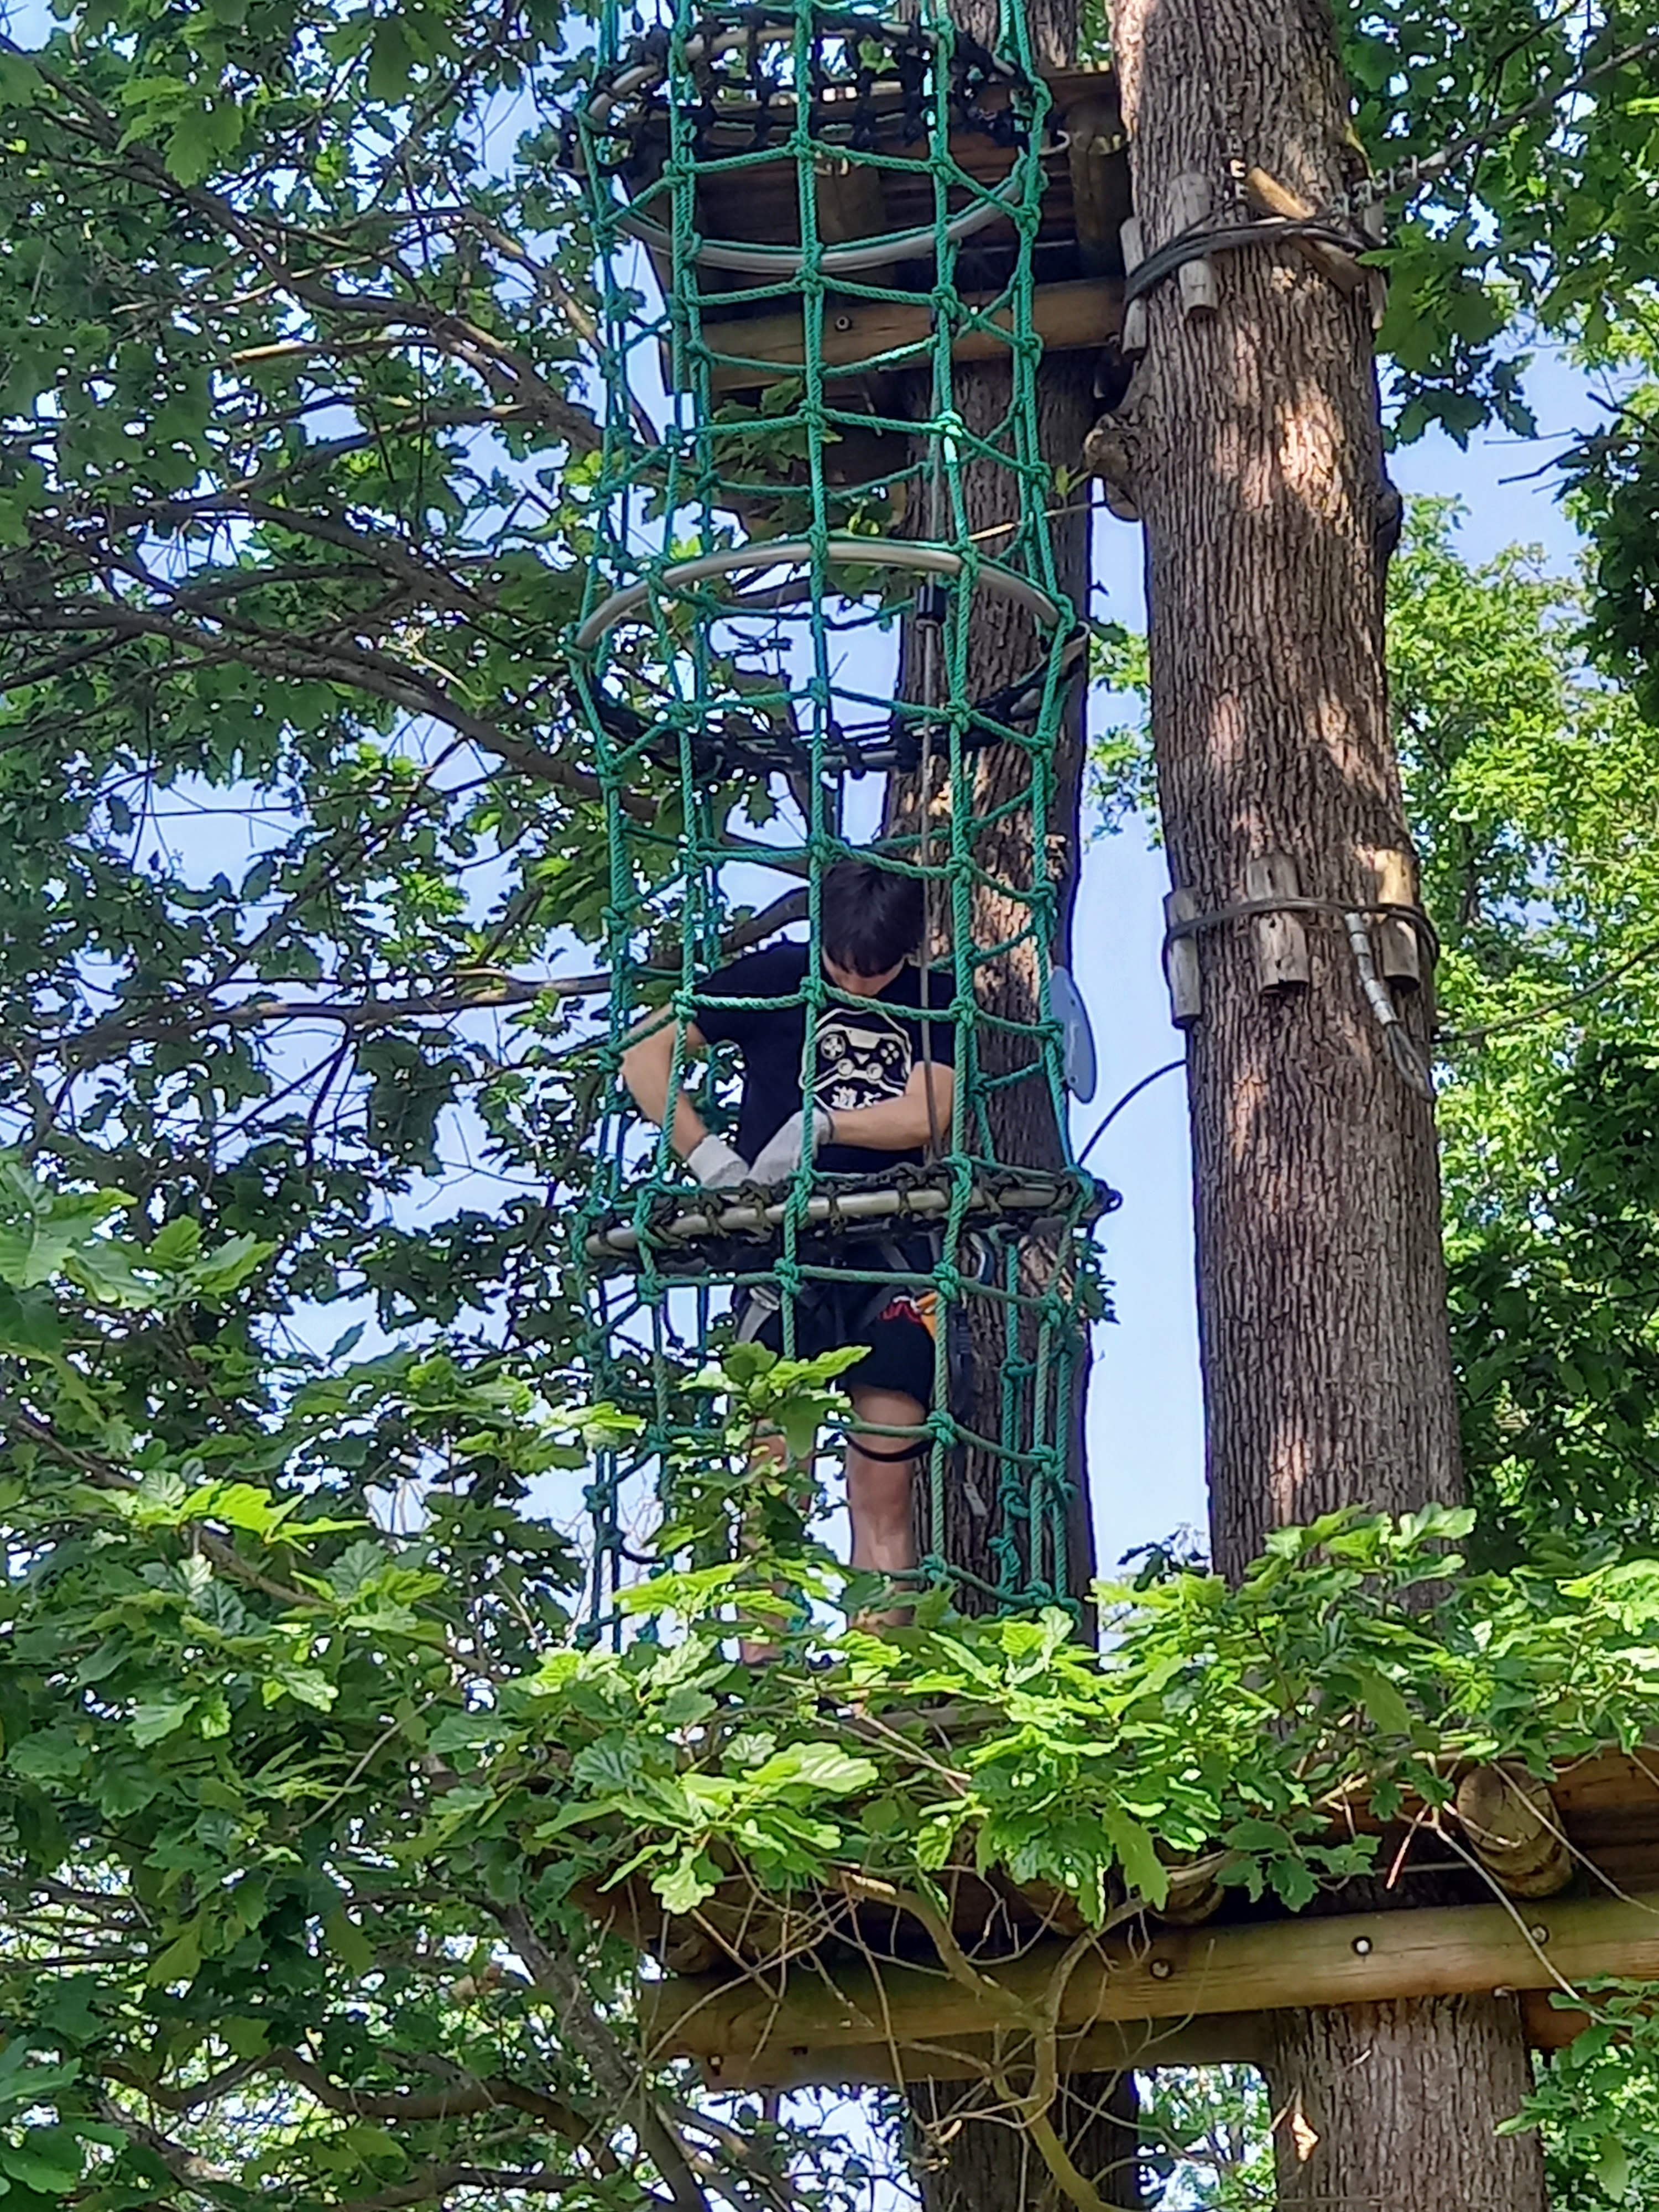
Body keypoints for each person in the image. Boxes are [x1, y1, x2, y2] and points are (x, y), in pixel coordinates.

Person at [619, 855, 955, 1585]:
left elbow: (929, 1111)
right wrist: (708, 1156)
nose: (858, 985)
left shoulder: (935, 999)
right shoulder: (776, 976)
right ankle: (765, 1659)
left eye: (876, 972)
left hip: (889, 1251)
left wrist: (824, 1123)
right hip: (780, 1253)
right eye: (842, 969)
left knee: (883, 1490)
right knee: (772, 1491)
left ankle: (878, 1659)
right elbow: (645, 1055)